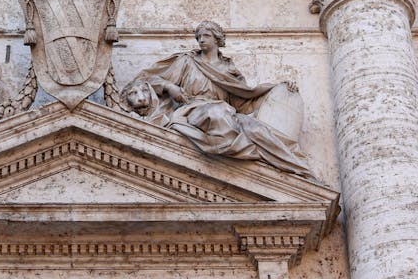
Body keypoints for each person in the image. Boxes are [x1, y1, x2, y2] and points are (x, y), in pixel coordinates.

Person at [125, 21, 313, 178]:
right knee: (216, 113)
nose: (201, 40)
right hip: (193, 110)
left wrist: (278, 88)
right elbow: (146, 80)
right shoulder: (187, 61)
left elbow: (243, 98)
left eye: (205, 35)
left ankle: (297, 167)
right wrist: (169, 86)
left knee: (257, 129)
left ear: (217, 38)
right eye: (198, 36)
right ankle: (235, 147)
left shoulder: (228, 69)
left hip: (227, 111)